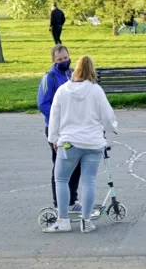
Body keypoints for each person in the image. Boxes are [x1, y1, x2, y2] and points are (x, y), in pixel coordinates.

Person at [44, 55, 118, 233]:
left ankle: (63, 220)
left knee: (61, 179)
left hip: (70, 142)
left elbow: (55, 117)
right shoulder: (95, 90)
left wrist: (53, 138)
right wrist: (113, 128)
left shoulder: (62, 90)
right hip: (93, 142)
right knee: (89, 181)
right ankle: (86, 221)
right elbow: (107, 115)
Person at [37, 44, 82, 212]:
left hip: (74, 128)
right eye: (60, 59)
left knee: (77, 163)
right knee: (60, 165)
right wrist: (60, 119)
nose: (64, 61)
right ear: (54, 61)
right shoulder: (50, 78)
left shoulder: (73, 75)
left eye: (66, 58)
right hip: (57, 129)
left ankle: (72, 199)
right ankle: (59, 203)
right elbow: (43, 103)